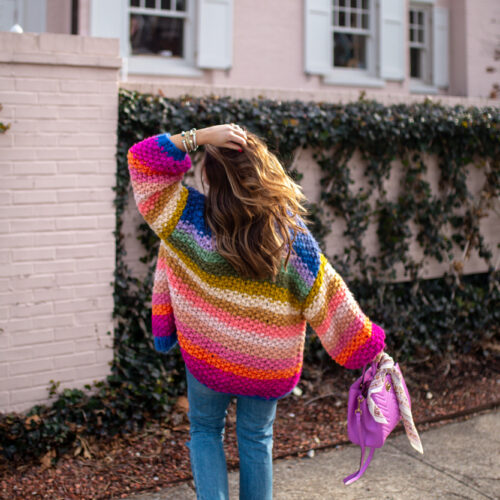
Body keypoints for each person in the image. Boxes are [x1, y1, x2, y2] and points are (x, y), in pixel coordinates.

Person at [127, 123, 386, 500]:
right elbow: (327, 296)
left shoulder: (186, 218)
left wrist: (198, 137)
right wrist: (368, 346)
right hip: (267, 365)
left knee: (204, 430)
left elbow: (142, 161)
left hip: (207, 355)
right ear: (261, 171)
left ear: (210, 177)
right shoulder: (289, 236)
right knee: (256, 438)